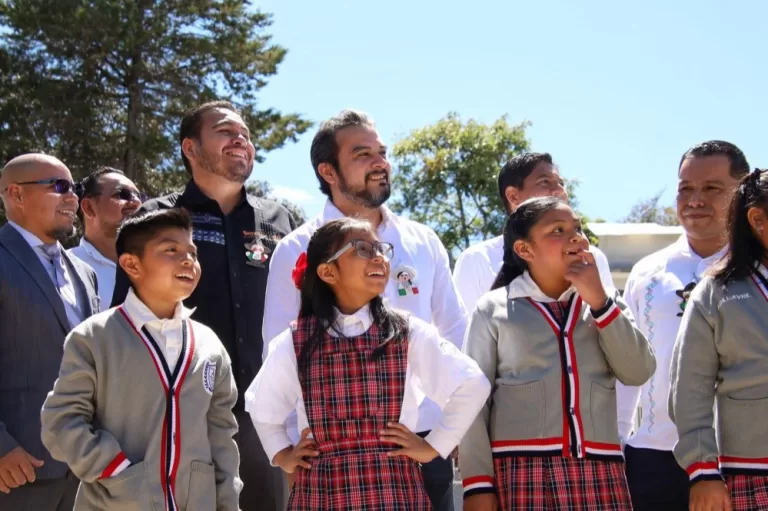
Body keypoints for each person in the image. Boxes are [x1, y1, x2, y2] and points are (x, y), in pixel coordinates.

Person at [262, 109, 467, 509]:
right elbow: (277, 350)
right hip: (328, 453)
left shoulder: (423, 241)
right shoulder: (296, 248)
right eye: (362, 154)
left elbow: (455, 329)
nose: (380, 163)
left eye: (382, 153)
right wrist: (286, 450)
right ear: (328, 171)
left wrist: (451, 430)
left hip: (421, 441)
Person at [111, 100, 295, 510]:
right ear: (190, 148)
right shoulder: (156, 218)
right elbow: (124, 323)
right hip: (178, 415)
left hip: (266, 417)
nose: (240, 140)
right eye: (226, 131)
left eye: (245, 135)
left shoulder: (279, 221)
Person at [247, 218, 490, 510]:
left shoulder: (407, 333)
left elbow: (472, 383)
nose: (378, 257)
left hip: (396, 495)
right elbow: (262, 407)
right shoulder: (296, 341)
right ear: (327, 271)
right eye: (362, 249)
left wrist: (434, 446)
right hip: (321, 496)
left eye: (380, 249)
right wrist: (282, 454)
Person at [460, 197, 656, 511]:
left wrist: (600, 303)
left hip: (600, 470)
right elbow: (473, 401)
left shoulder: (606, 303)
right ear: (525, 250)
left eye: (577, 229)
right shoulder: (492, 310)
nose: (576, 237)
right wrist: (477, 484)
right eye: (558, 230)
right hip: (521, 472)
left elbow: (638, 371)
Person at [41, 209, 241, 510]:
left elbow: (221, 436)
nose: (188, 260)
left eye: (193, 253)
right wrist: (121, 475)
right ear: (132, 264)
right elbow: (61, 422)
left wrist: (227, 503)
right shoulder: (94, 338)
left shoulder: (210, 345)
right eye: (171, 250)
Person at [617, 140, 749, 510]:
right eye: (686, 188)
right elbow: (626, 367)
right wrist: (616, 444)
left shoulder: (759, 272)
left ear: (743, 193)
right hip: (653, 456)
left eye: (712, 188)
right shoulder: (647, 272)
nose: (695, 200)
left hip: (742, 457)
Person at [0, 154, 100, 509]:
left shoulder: (84, 272)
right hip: (17, 470)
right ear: (17, 194)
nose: (72, 197)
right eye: (59, 187)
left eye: (75, 188)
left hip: (83, 469)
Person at [669, 168, 768, 511]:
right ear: (758, 219)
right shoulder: (716, 293)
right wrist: (703, 471)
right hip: (751, 473)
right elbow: (689, 390)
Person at [453, 152, 615, 315]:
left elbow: (612, 324)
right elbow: (465, 328)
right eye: (544, 182)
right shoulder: (477, 260)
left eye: (561, 183)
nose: (560, 191)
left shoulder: (592, 258)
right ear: (513, 196)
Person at [69, 167, 144, 309]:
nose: (137, 203)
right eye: (123, 194)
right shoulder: (65, 269)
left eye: (141, 197)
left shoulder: (158, 265)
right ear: (89, 207)